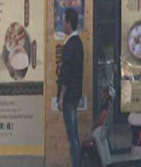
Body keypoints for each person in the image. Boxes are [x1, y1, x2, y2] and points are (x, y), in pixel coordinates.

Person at [58, 9, 84, 167]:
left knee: (72, 135)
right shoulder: (78, 43)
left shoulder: (70, 45)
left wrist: (61, 97)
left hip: (68, 96)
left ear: (69, 23)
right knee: (75, 133)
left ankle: (76, 164)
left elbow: (66, 74)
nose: (63, 24)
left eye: (64, 21)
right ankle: (78, 163)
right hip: (76, 94)